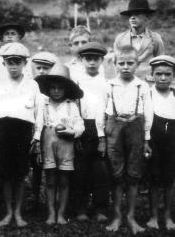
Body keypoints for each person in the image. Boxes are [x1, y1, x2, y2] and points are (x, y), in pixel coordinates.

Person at [0, 42, 42, 227]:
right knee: (5, 174)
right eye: (9, 62)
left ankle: (18, 213)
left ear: (24, 63)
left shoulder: (32, 85)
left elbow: (38, 112)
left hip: (23, 131)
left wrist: (36, 136)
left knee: (19, 174)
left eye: (17, 62)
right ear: (3, 63)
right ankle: (8, 212)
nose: (13, 65)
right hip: (2, 130)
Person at [104, 45, 153, 234]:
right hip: (114, 129)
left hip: (136, 130)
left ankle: (131, 217)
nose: (125, 67)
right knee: (117, 176)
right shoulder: (109, 85)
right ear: (115, 64)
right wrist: (102, 137)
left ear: (137, 64)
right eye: (121, 63)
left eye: (130, 63)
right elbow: (103, 112)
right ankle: (117, 217)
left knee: (133, 176)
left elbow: (148, 115)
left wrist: (147, 139)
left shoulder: (142, 86)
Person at [35, 63, 84, 225]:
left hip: (66, 146)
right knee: (50, 180)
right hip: (48, 145)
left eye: (60, 88)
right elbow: (38, 125)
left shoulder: (71, 105)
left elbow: (80, 125)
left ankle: (61, 213)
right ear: (48, 88)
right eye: (53, 88)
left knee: (64, 180)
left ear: (67, 89)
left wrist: (73, 132)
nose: (56, 91)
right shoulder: (44, 104)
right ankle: (51, 213)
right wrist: (37, 145)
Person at [71, 42, 110, 222]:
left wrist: (103, 137)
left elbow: (106, 109)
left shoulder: (106, 83)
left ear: (102, 60)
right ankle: (80, 208)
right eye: (88, 59)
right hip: (82, 127)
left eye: (96, 59)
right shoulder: (77, 82)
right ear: (81, 60)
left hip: (101, 128)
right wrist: (77, 132)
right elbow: (74, 108)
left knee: (100, 170)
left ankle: (100, 207)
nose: (92, 63)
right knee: (81, 170)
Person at [146, 55, 175, 231]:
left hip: (172, 144)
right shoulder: (148, 94)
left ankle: (168, 216)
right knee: (154, 179)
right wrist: (146, 143)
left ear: (173, 76)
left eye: (167, 74)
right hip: (154, 143)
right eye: (159, 74)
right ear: (152, 74)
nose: (163, 78)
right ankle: (153, 216)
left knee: (169, 180)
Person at [28, 51, 58, 204]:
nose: (41, 71)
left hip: (51, 130)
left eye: (46, 68)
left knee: (51, 163)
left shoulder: (55, 88)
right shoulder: (31, 86)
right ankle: (34, 194)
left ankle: (51, 196)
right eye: (39, 68)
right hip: (35, 129)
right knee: (36, 163)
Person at [113, 0, 164, 81]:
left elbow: (161, 62)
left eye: (137, 14)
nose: (132, 17)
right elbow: (116, 63)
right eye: (130, 15)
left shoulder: (155, 38)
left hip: (148, 82)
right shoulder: (120, 39)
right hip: (126, 82)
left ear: (147, 17)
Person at [0, 22, 30, 91]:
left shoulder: (23, 54)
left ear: (18, 37)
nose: (10, 36)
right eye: (7, 34)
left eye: (13, 34)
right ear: (2, 37)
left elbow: (28, 74)